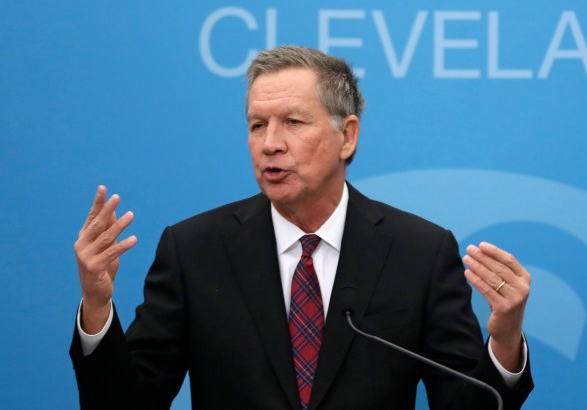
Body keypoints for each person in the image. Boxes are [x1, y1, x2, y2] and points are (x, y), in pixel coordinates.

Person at [70, 46, 534, 409]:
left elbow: (468, 406)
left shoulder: (418, 252)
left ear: (347, 136)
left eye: (292, 122)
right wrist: (96, 307)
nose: (270, 144)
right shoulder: (195, 250)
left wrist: (506, 338)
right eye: (257, 125)